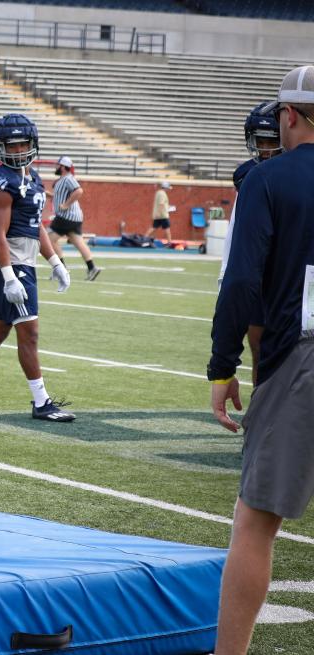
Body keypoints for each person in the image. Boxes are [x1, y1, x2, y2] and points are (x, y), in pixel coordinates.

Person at [208, 65, 314, 655]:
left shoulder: (268, 181)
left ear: (290, 115)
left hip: (300, 357)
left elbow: (243, 282)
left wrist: (222, 366)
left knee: (255, 523)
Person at [0, 114, 75, 423]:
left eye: (23, 144)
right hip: (12, 263)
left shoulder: (32, 178)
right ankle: (42, 401)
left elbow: (36, 228)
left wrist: (55, 262)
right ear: (0, 148)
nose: (19, 150)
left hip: (25, 259)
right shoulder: (2, 184)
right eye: (12, 145)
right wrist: (8, 277)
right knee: (29, 332)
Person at [217, 101, 283, 385]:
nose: (266, 149)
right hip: (258, 268)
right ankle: (261, 404)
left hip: (289, 268)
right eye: (261, 142)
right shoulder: (247, 175)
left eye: (272, 141)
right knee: (256, 341)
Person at [47, 156, 101, 281]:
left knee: (48, 240)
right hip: (74, 217)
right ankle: (92, 267)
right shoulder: (62, 180)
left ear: (63, 166)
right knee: (78, 242)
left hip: (66, 216)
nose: (56, 167)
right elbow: (60, 197)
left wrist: (65, 205)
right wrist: (48, 194)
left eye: (58, 165)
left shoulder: (68, 178)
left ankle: (61, 269)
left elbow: (79, 191)